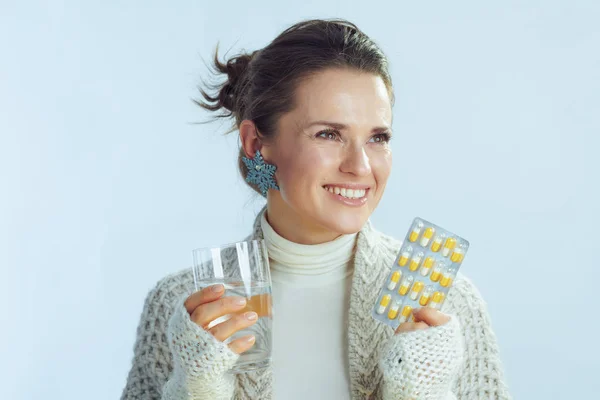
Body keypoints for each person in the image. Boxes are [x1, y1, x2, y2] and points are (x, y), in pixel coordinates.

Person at [121, 18, 511, 400]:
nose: (360, 166)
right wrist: (198, 388)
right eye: (328, 134)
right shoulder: (183, 307)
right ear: (256, 143)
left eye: (378, 137)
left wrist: (424, 394)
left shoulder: (446, 305)